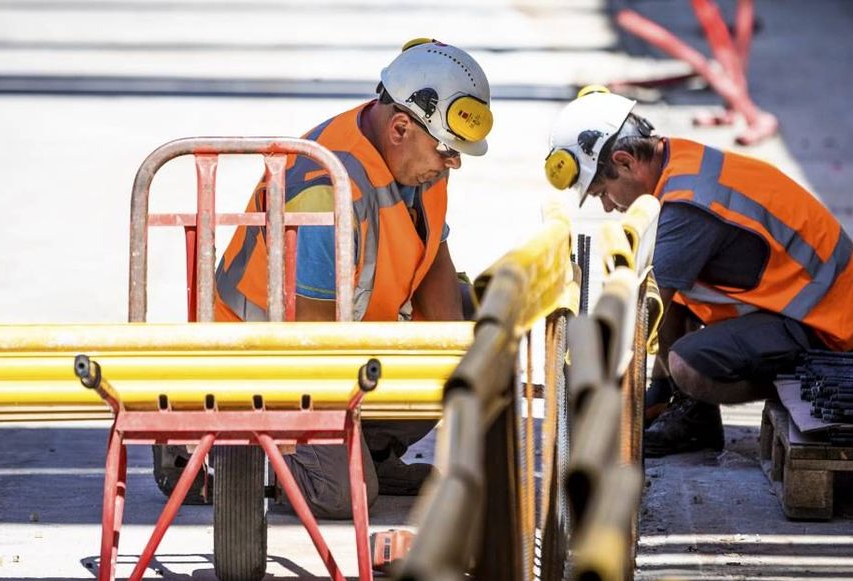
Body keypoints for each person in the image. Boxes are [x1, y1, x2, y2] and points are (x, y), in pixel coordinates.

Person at [153, 39, 493, 518]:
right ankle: (231, 452)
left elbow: (434, 256)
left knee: (466, 322)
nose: (452, 164)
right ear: (400, 127)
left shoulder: (420, 163)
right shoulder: (324, 191)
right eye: (447, 152)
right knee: (342, 497)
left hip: (347, 343)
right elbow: (314, 343)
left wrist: (455, 365)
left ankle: (370, 452)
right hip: (273, 362)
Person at [544, 87, 853, 457]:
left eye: (603, 192)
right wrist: (658, 385)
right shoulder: (676, 159)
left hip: (832, 328)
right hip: (805, 305)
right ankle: (687, 409)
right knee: (662, 283)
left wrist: (586, 394)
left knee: (689, 365)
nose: (609, 207)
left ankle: (711, 406)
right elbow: (660, 291)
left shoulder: (687, 206)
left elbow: (633, 321)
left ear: (625, 161)